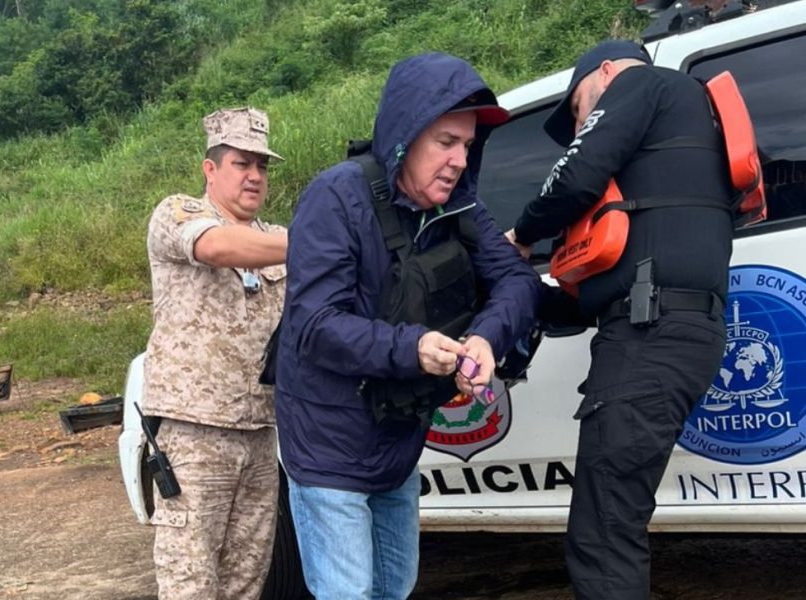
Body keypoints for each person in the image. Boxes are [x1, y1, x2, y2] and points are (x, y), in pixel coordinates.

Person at [275, 53, 540, 599]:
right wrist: (414, 347)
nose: (459, 161)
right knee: (349, 592)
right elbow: (314, 325)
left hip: (398, 437)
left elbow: (518, 280)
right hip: (328, 443)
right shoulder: (336, 198)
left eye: (467, 145)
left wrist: (485, 339)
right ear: (405, 135)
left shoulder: (458, 207)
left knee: (395, 587)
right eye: (446, 142)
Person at [505, 40, 733, 599]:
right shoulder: (670, 162)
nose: (580, 125)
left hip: (650, 339)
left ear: (605, 73)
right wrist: (528, 293)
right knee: (610, 523)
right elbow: (591, 305)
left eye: (579, 108)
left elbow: (576, 177)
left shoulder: (642, 83)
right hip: (660, 334)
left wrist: (521, 235)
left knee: (604, 536)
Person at [142, 106, 288, 599]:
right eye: (241, 163)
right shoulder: (177, 213)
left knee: (247, 578)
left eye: (262, 166)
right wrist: (315, 241)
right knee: (190, 580)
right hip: (194, 433)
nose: (254, 176)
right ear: (210, 168)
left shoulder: (276, 238)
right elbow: (219, 247)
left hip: (260, 433)